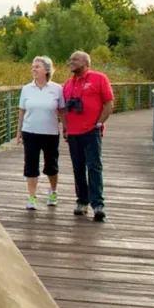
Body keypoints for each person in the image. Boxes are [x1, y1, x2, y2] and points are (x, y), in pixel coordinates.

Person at [62, 51, 115, 222]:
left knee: (94, 166)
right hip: (73, 133)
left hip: (92, 131)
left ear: (86, 62)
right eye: (70, 59)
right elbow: (63, 109)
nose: (71, 62)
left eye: (75, 59)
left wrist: (99, 123)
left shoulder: (99, 78)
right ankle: (82, 202)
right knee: (78, 168)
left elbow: (108, 104)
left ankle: (98, 205)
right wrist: (66, 128)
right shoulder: (67, 84)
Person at [16, 56, 65, 210]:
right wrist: (19, 132)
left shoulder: (57, 89)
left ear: (47, 70)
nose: (34, 69)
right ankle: (32, 197)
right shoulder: (26, 89)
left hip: (50, 132)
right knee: (30, 165)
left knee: (51, 165)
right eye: (33, 66)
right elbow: (22, 112)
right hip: (30, 131)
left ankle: (53, 191)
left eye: (37, 66)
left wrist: (66, 128)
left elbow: (62, 111)